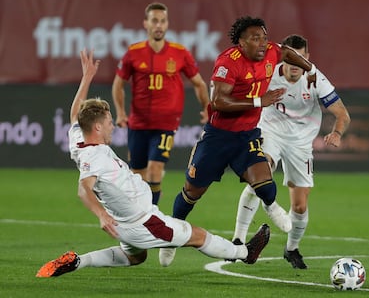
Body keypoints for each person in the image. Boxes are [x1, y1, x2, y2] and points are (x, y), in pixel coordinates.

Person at [35, 49, 270, 278]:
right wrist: (100, 215)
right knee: (197, 236)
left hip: (125, 222)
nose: (112, 126)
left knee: (134, 258)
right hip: (144, 222)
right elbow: (83, 188)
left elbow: (75, 113)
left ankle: (78, 261)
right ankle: (245, 253)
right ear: (97, 127)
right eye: (108, 122)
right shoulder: (93, 157)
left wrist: (86, 78)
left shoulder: (78, 139)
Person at [159, 17, 319, 266]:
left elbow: (285, 52)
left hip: (246, 136)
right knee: (192, 192)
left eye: (265, 37)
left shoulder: (270, 53)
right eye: (256, 39)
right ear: (241, 43)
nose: (263, 43)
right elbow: (219, 102)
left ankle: (270, 205)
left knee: (266, 186)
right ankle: (171, 238)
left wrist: (310, 69)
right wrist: (259, 101)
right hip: (218, 137)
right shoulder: (228, 62)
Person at [231, 34, 351, 269]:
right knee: (259, 176)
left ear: (307, 59)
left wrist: (336, 133)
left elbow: (342, 114)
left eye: (301, 60)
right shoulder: (269, 74)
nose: (295, 66)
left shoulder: (316, 79)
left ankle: (291, 248)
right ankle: (238, 239)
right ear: (284, 58)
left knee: (299, 206)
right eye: (291, 60)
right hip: (271, 131)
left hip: (300, 143)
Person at [112, 2, 209, 205]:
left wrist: (207, 108)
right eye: (154, 21)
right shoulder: (133, 52)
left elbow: (199, 83)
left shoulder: (180, 52)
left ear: (167, 24)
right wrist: (120, 113)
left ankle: (151, 215)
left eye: (163, 21)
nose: (159, 25)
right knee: (137, 173)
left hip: (166, 123)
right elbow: (118, 85)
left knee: (155, 169)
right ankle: (139, 214)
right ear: (145, 23)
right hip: (138, 123)